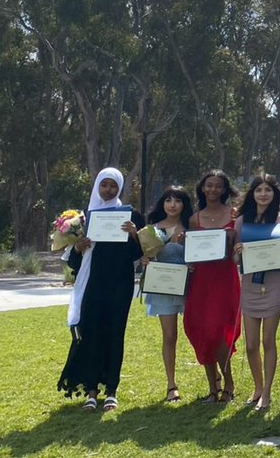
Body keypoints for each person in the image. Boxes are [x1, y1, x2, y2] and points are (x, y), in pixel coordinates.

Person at [58, 167, 144, 412]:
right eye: (104, 185)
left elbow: (138, 255)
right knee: (92, 334)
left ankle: (112, 391)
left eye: (113, 186)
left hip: (120, 286)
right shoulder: (83, 219)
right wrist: (78, 248)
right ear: (97, 186)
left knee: (115, 335)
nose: (108, 190)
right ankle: (92, 391)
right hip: (92, 286)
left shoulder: (131, 216)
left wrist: (134, 234)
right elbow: (74, 263)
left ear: (119, 188)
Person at [233, 174, 280, 411]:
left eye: (268, 190)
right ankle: (257, 387)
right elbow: (238, 258)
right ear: (253, 193)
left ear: (274, 193)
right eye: (259, 190)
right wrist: (238, 250)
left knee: (268, 340)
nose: (263, 194)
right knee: (250, 345)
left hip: (274, 285)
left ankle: (266, 392)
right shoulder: (242, 221)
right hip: (249, 286)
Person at [184, 169, 242, 403]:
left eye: (218, 185)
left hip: (225, 279)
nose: (213, 190)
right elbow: (189, 254)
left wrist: (233, 242)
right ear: (202, 188)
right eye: (209, 185)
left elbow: (239, 254)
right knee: (200, 330)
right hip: (200, 281)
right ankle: (212, 386)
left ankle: (228, 382)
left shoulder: (235, 215)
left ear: (225, 189)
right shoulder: (193, 219)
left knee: (219, 331)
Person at [141, 186, 192, 404]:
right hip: (163, 289)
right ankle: (171, 385)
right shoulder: (151, 230)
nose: (172, 205)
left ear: (184, 205)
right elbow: (145, 257)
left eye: (178, 201)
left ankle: (215, 380)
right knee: (170, 336)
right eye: (168, 200)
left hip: (191, 288)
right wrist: (145, 263)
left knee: (199, 332)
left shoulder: (193, 227)